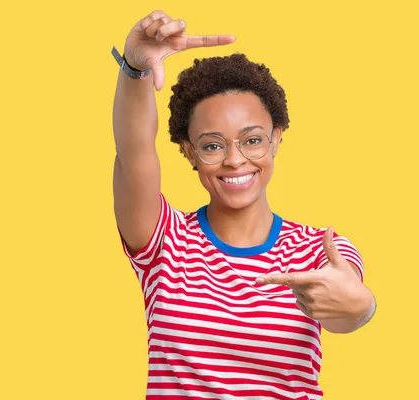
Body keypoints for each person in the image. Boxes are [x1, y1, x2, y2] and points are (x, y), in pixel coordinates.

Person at [111, 10, 377, 400]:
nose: (235, 160)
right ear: (189, 153)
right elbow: (133, 152)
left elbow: (345, 309)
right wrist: (135, 69)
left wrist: (361, 306)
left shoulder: (319, 248)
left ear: (276, 139)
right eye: (214, 145)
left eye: (252, 140)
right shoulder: (164, 241)